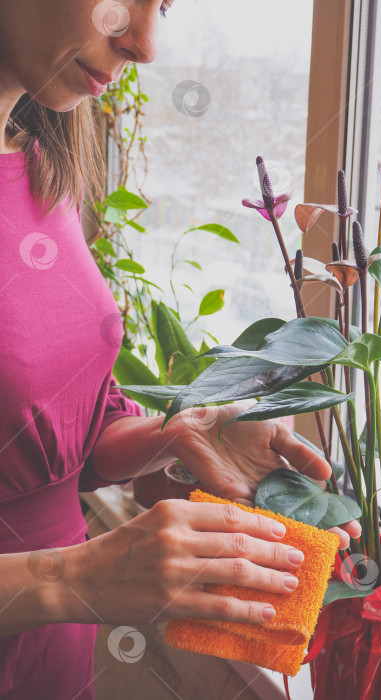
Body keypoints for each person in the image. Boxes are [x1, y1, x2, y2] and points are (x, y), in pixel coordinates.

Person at [0, 1, 361, 698]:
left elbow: (51, 429)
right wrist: (72, 576)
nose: (145, 45)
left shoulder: (41, 165)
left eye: (163, 6)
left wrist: (179, 432)